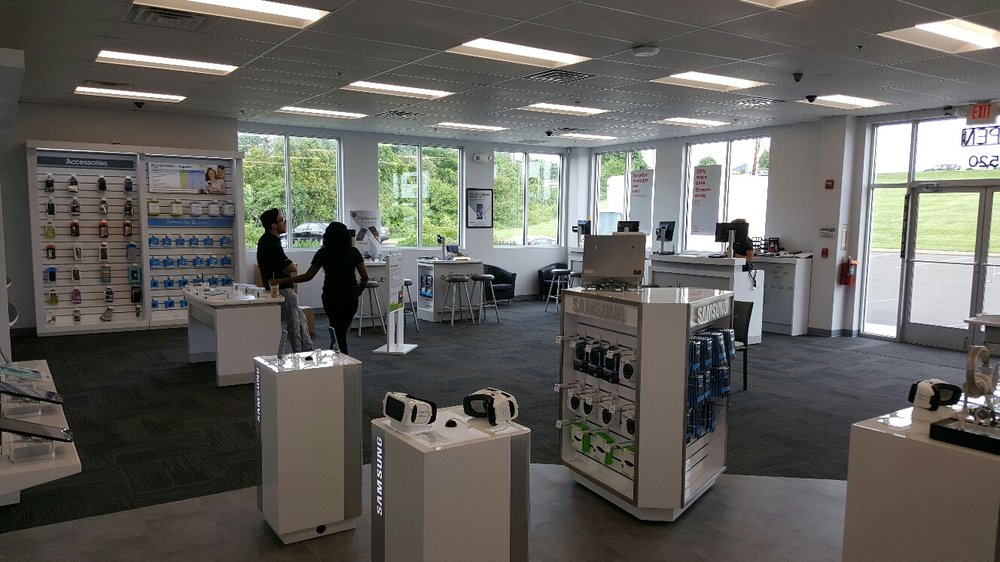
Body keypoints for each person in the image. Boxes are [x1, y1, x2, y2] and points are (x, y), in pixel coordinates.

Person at [273, 222, 368, 355]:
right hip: (350, 296)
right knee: (341, 331)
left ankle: (338, 356)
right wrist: (358, 292)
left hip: (331, 295)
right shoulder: (353, 252)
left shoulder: (323, 253)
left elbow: (308, 276)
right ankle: (340, 357)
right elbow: (365, 276)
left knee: (335, 329)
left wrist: (282, 281)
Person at [257, 209, 313, 353]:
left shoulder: (268, 241)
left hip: (281, 288)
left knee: (301, 320)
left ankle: (307, 350)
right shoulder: (272, 244)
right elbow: (292, 268)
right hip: (282, 289)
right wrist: (287, 270)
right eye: (282, 220)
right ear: (274, 225)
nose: (285, 222)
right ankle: (299, 353)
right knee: (294, 322)